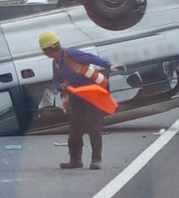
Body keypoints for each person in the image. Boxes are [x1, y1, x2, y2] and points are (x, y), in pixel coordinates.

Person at [39, 31, 124, 170]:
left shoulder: (70, 54)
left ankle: (96, 160)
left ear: (47, 50)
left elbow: (90, 58)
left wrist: (109, 66)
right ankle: (75, 160)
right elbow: (56, 82)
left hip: (93, 95)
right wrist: (61, 86)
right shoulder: (56, 64)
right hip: (77, 98)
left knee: (93, 126)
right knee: (75, 129)